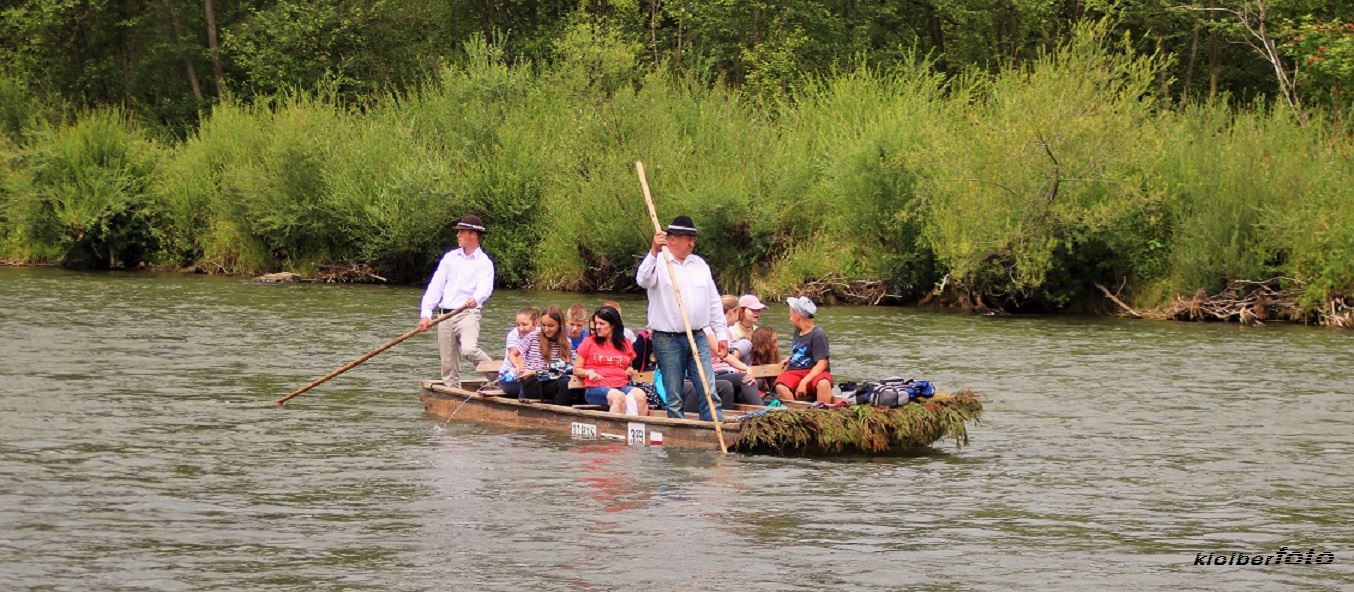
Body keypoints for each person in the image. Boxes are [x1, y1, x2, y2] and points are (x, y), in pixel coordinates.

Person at [636, 215, 729, 421]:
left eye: (693, 239)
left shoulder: (700, 265)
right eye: (688, 238)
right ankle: (678, 438)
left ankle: (714, 428)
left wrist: (721, 334)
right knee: (674, 395)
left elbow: (713, 300)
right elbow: (642, 280)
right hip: (667, 339)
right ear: (672, 240)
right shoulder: (658, 262)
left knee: (708, 388)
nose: (692, 243)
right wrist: (653, 250)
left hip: (698, 336)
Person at [417, 215, 494, 388]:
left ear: (473, 235)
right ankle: (452, 392)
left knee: (469, 349)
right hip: (444, 316)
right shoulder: (450, 258)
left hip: (467, 313)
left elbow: (485, 288)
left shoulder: (484, 263)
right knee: (448, 366)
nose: (457, 235)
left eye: (461, 232)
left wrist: (476, 298)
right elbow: (435, 286)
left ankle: (499, 377)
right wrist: (425, 315)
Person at [574, 306, 646, 416]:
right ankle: (615, 430)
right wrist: (589, 373)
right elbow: (577, 369)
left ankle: (639, 430)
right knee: (618, 397)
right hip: (595, 388)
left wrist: (629, 370)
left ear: (612, 325)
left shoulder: (625, 343)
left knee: (640, 395)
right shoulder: (588, 342)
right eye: (596, 323)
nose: (597, 327)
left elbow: (628, 366)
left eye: (602, 324)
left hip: (621, 385)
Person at [773, 297, 834, 403]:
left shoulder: (818, 334)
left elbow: (822, 363)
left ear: (797, 317)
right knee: (780, 386)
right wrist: (790, 358)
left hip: (814, 372)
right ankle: (795, 412)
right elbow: (802, 350)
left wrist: (804, 382)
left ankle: (822, 413)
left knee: (824, 384)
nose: (790, 319)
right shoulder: (797, 332)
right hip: (795, 372)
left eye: (791, 316)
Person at [532, 305, 574, 405]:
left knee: (568, 382)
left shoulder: (566, 342)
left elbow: (566, 366)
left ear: (559, 325)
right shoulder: (533, 336)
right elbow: (515, 354)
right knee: (564, 384)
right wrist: (519, 367)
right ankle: (558, 415)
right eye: (543, 325)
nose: (546, 329)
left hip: (553, 379)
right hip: (535, 380)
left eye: (550, 326)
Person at [499, 307, 541, 398]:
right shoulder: (513, 335)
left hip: (532, 375)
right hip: (510, 378)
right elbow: (518, 359)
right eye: (518, 325)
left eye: (525, 325)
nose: (521, 329)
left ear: (536, 323)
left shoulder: (540, 333)